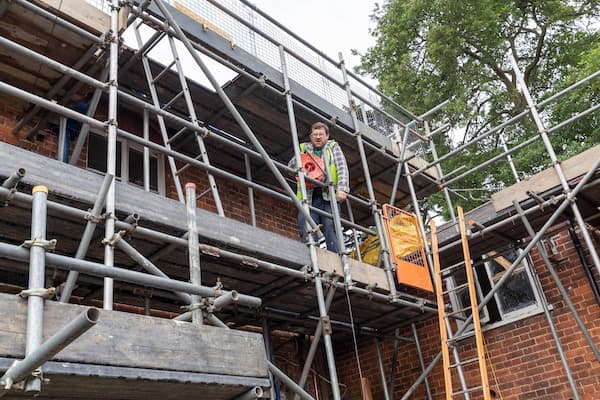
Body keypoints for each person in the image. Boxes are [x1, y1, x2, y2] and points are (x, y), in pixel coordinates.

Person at [291, 122, 349, 253]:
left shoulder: (333, 147)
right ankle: (311, 257)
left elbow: (342, 168)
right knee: (306, 226)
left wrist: (342, 189)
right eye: (315, 134)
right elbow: (291, 166)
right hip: (309, 196)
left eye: (321, 134)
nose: (318, 137)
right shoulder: (303, 148)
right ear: (311, 136)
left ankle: (337, 258)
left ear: (327, 136)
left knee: (330, 225)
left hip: (329, 195)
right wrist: (300, 159)